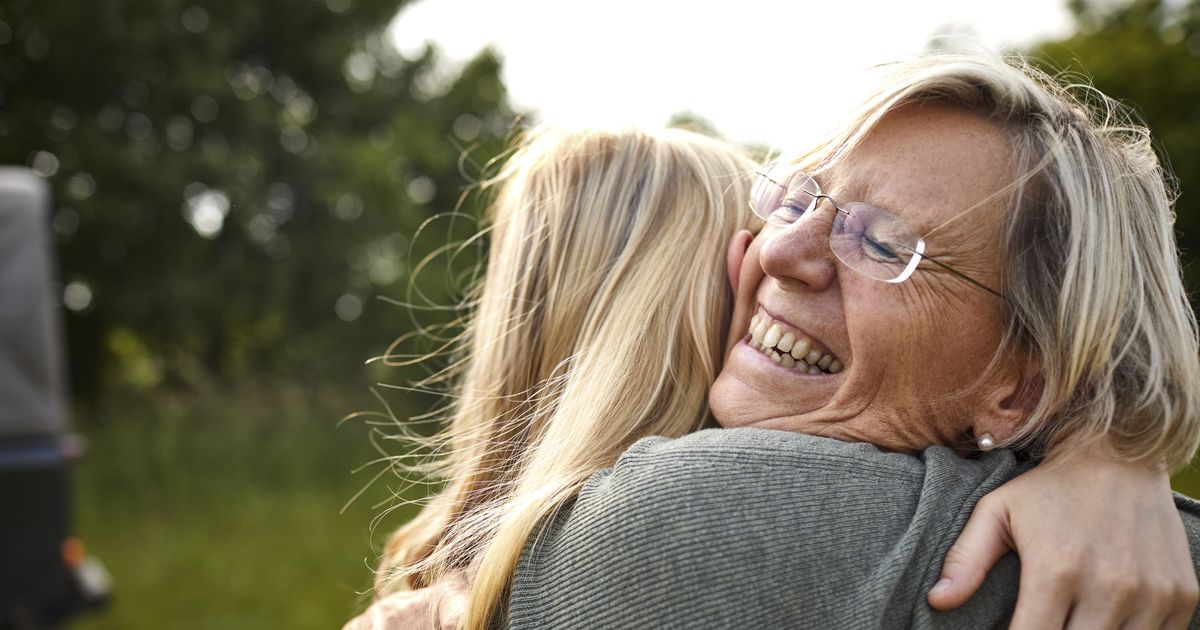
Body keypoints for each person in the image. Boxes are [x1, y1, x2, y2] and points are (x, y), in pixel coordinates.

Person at [345, 52, 1200, 630]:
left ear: (1019, 390)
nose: (778, 252)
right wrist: (1114, 443)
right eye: (798, 199)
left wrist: (1116, 446)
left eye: (887, 244)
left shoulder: (675, 521)